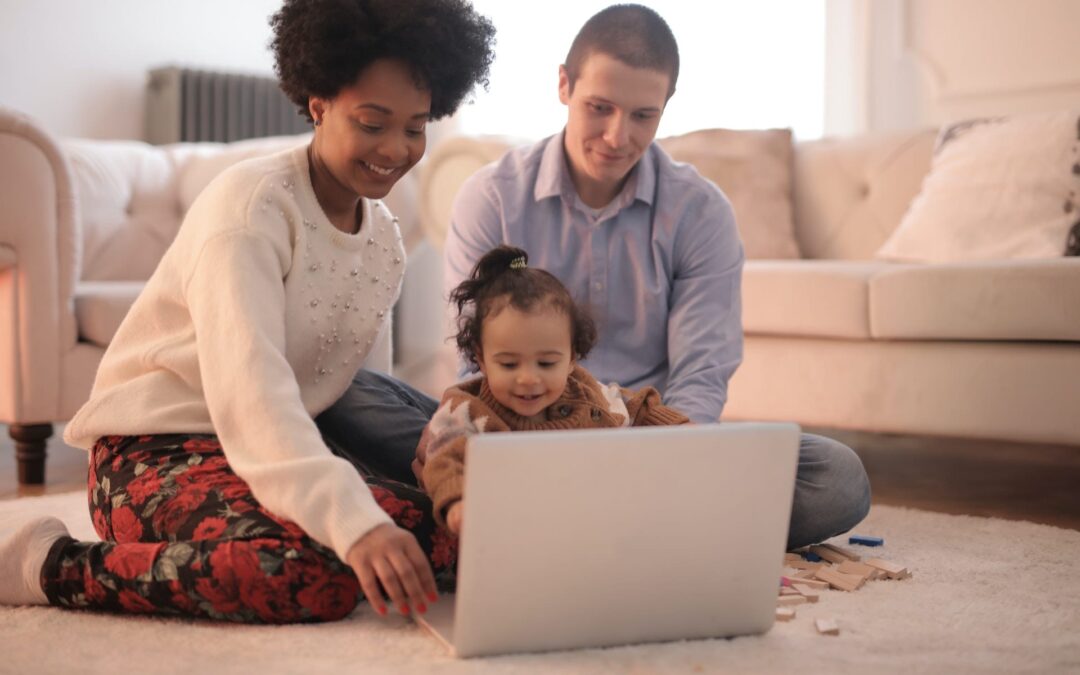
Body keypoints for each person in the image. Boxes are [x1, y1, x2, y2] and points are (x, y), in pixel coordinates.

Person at [0, 0, 495, 623]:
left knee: (462, 534)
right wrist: (355, 523)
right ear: (319, 103)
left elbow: (348, 396)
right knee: (309, 574)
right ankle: (50, 562)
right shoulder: (251, 207)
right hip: (153, 456)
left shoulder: (386, 238)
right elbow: (251, 392)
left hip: (273, 450)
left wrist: (421, 481)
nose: (395, 149)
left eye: (415, 127)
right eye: (373, 123)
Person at [439, 4, 871, 549]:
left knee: (837, 477)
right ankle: (647, 530)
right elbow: (468, 356)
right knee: (377, 408)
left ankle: (569, 525)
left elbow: (702, 372)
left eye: (643, 115)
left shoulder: (699, 211)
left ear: (666, 108)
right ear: (564, 86)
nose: (618, 136)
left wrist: (660, 463)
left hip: (647, 440)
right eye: (600, 107)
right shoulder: (493, 196)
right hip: (515, 432)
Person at [414, 246, 689, 533]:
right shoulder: (465, 410)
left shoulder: (584, 393)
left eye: (546, 363)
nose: (528, 379)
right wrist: (458, 501)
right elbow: (443, 458)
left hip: (587, 521)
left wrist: (680, 427)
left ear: (572, 359)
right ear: (481, 359)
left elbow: (634, 406)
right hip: (506, 528)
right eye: (508, 365)